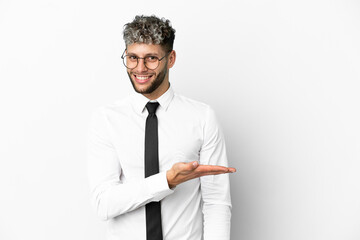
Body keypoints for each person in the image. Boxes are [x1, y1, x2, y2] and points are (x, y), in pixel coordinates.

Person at [87, 15, 236, 240]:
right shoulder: (107, 120)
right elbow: (104, 204)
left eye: (151, 58)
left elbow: (216, 203)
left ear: (171, 58)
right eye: (132, 58)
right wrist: (167, 181)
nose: (140, 68)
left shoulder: (202, 118)